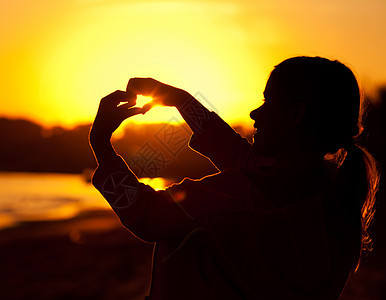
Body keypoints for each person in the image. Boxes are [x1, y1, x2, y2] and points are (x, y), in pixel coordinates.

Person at [89, 56, 379, 299]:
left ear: (296, 115)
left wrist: (101, 144)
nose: (255, 113)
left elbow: (146, 215)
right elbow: (242, 157)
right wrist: (180, 99)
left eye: (267, 102)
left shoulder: (237, 197)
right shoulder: (336, 203)